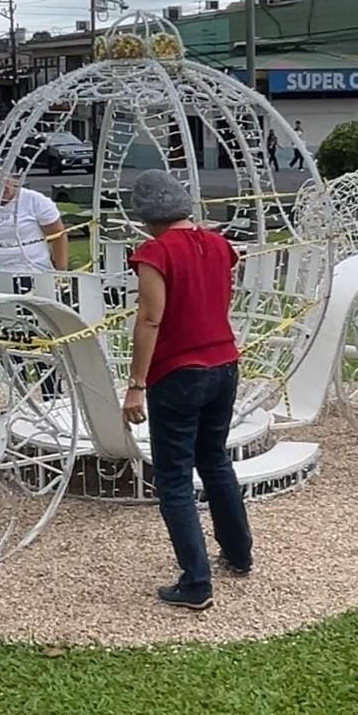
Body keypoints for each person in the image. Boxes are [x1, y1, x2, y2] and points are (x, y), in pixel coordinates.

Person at [123, 169, 253, 611]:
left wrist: (136, 384)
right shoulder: (217, 245)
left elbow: (150, 318)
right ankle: (238, 552)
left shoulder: (155, 253)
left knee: (175, 477)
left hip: (178, 372)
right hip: (224, 362)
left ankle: (195, 581)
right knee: (215, 460)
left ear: (146, 216)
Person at [0, 164, 68, 286]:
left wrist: (61, 272)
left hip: (32, 272)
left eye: (8, 180)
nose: (5, 186)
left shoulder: (36, 201)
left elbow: (58, 235)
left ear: (16, 179)